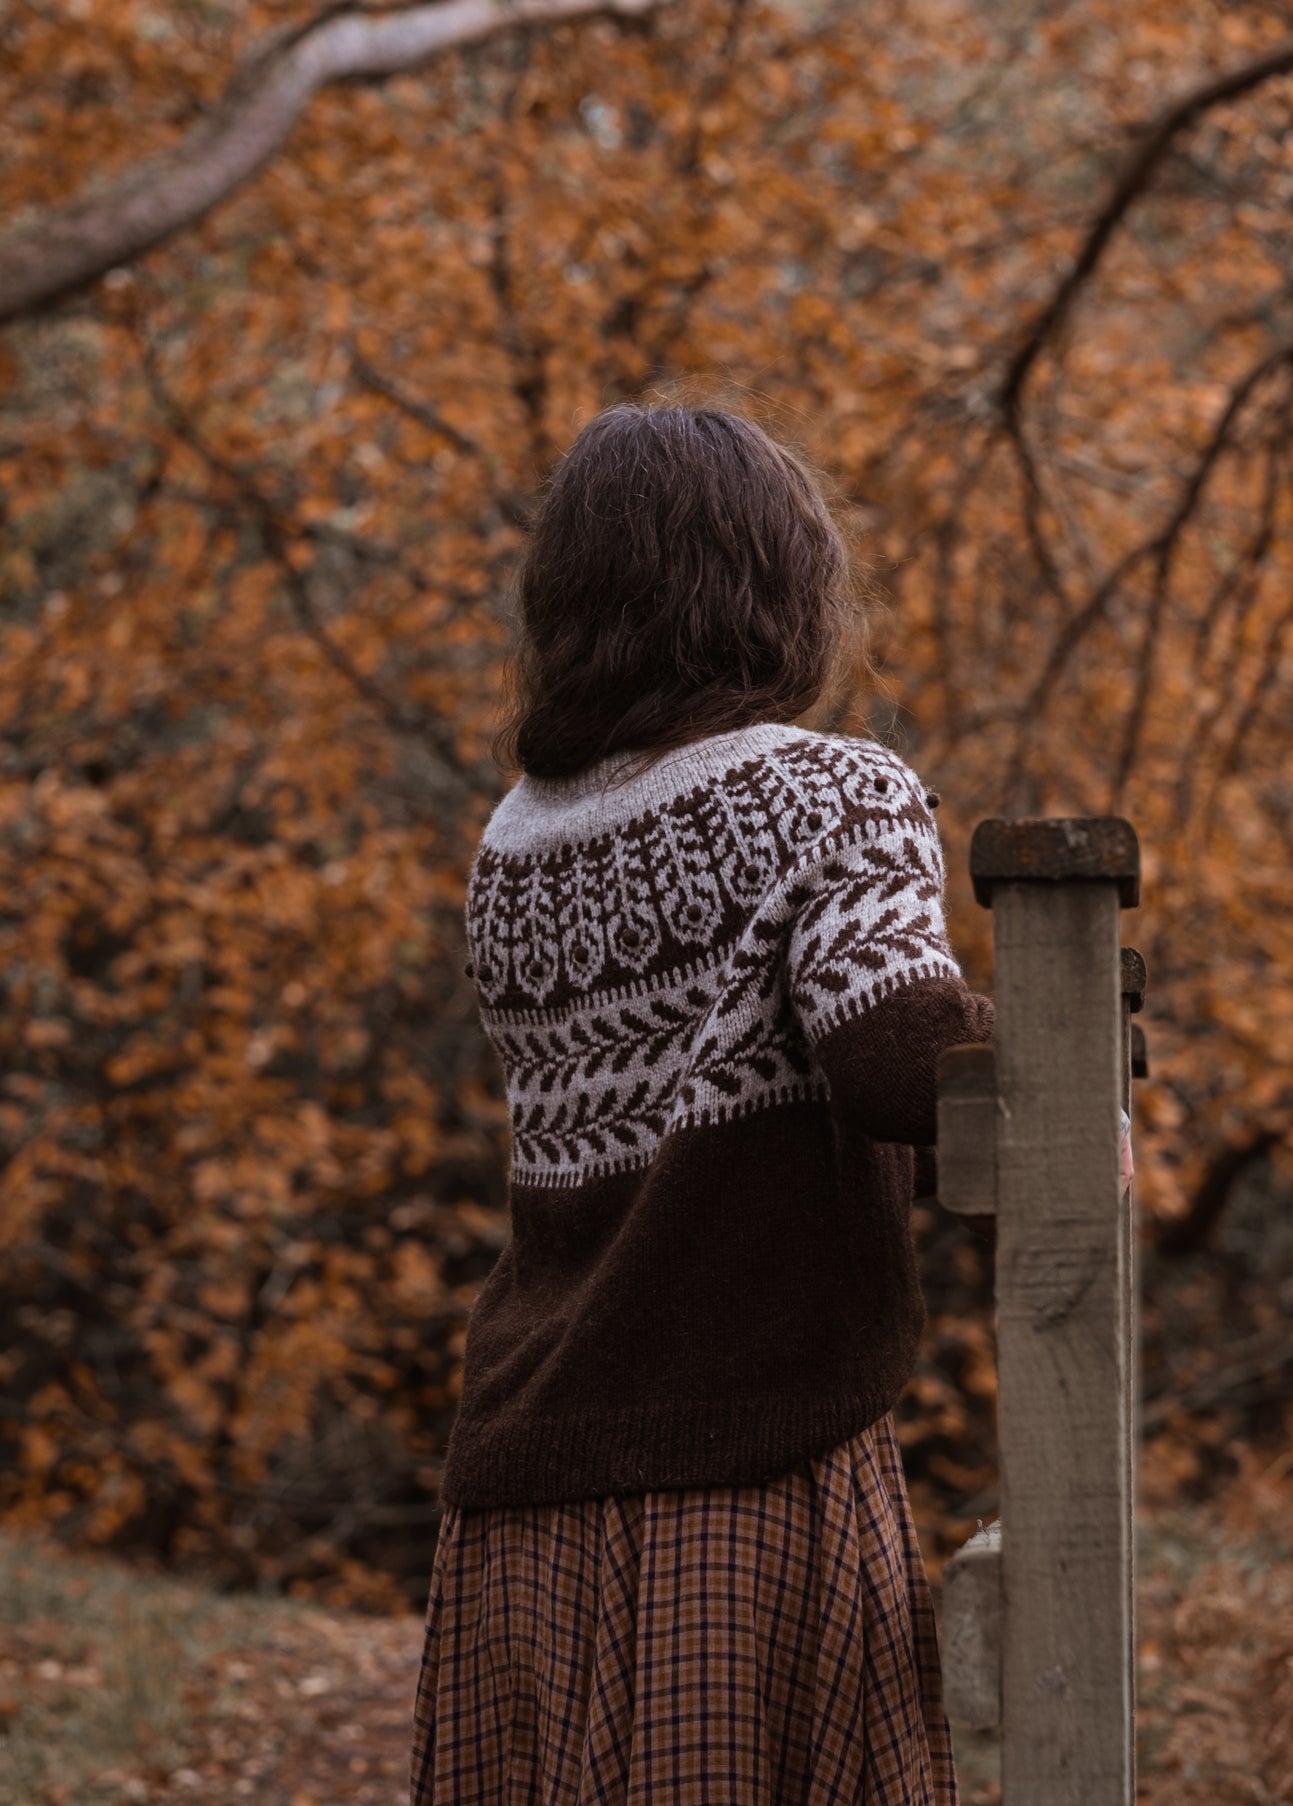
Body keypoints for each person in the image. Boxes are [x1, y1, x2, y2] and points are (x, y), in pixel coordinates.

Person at [409, 401, 996, 1805]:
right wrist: (1067, 1060)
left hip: (523, 1476)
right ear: (771, 584)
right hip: (742, 1473)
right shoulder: (829, 789)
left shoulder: (519, 837)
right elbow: (894, 1053)